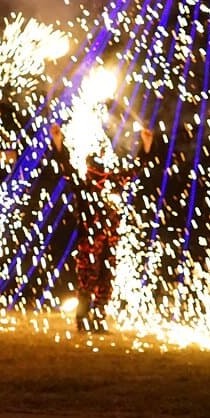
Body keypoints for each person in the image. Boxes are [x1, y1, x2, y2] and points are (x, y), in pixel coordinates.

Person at [49, 123, 151, 333]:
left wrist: (146, 146)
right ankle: (83, 321)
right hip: (89, 243)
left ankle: (98, 321)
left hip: (109, 242)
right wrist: (59, 142)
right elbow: (66, 166)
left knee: (105, 282)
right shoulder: (83, 185)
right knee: (88, 282)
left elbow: (135, 170)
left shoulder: (112, 182)